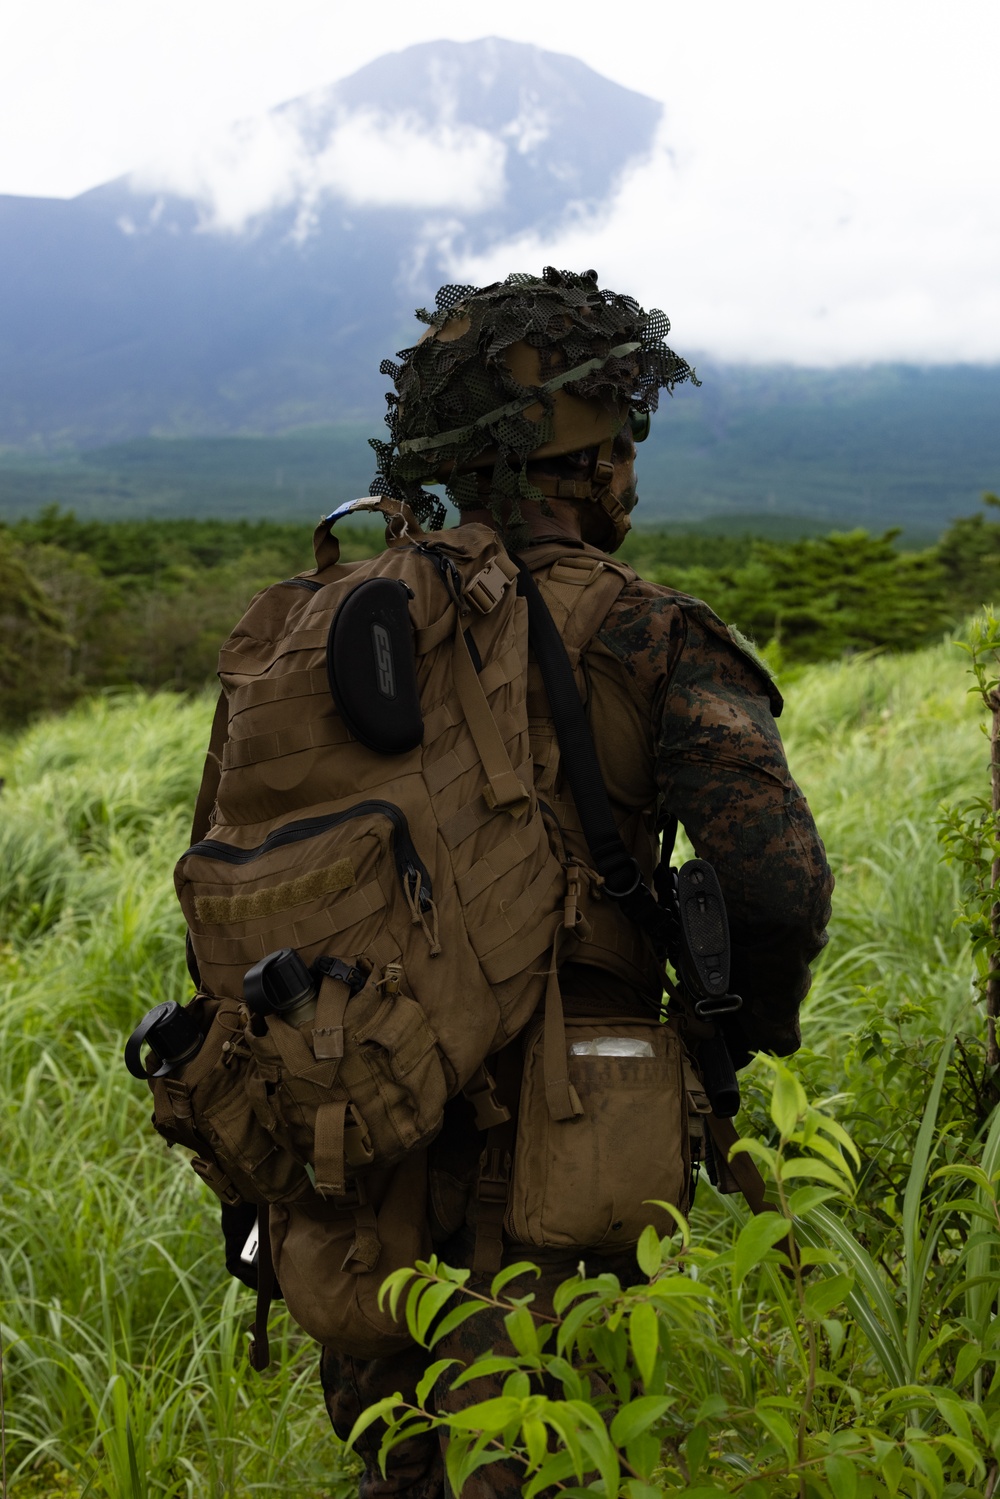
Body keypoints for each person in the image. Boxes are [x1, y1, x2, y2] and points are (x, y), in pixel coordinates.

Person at [317, 268, 834, 1498]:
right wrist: (741, 1030)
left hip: (358, 1133)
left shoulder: (340, 622)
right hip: (561, 1140)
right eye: (623, 446)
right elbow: (776, 883)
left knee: (400, 1463)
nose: (630, 476)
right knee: (542, 1455)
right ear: (589, 465)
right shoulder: (647, 630)